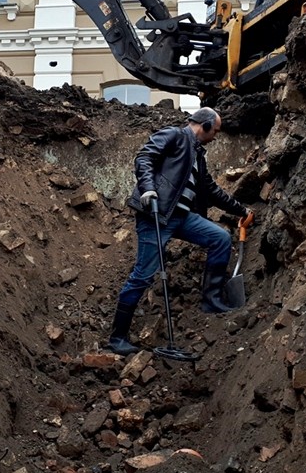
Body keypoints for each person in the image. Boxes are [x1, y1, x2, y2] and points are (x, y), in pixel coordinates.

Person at [106, 108, 254, 355]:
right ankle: (118, 337)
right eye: (215, 131)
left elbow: (210, 190)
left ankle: (212, 300)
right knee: (143, 274)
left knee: (219, 237)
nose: (215, 136)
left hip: (182, 217)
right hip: (156, 215)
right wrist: (148, 189)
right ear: (204, 125)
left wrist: (240, 209)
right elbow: (144, 157)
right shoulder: (174, 135)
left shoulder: (198, 155)